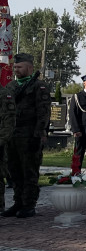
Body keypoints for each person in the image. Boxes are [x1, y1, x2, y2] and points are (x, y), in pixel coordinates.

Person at [2, 53, 51, 219]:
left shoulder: (39, 86)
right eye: (15, 67)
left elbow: (43, 113)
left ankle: (29, 204)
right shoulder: (10, 87)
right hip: (12, 135)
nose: (16, 69)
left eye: (19, 67)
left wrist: (38, 135)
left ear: (30, 68)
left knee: (29, 170)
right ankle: (18, 202)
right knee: (13, 171)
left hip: (29, 134)